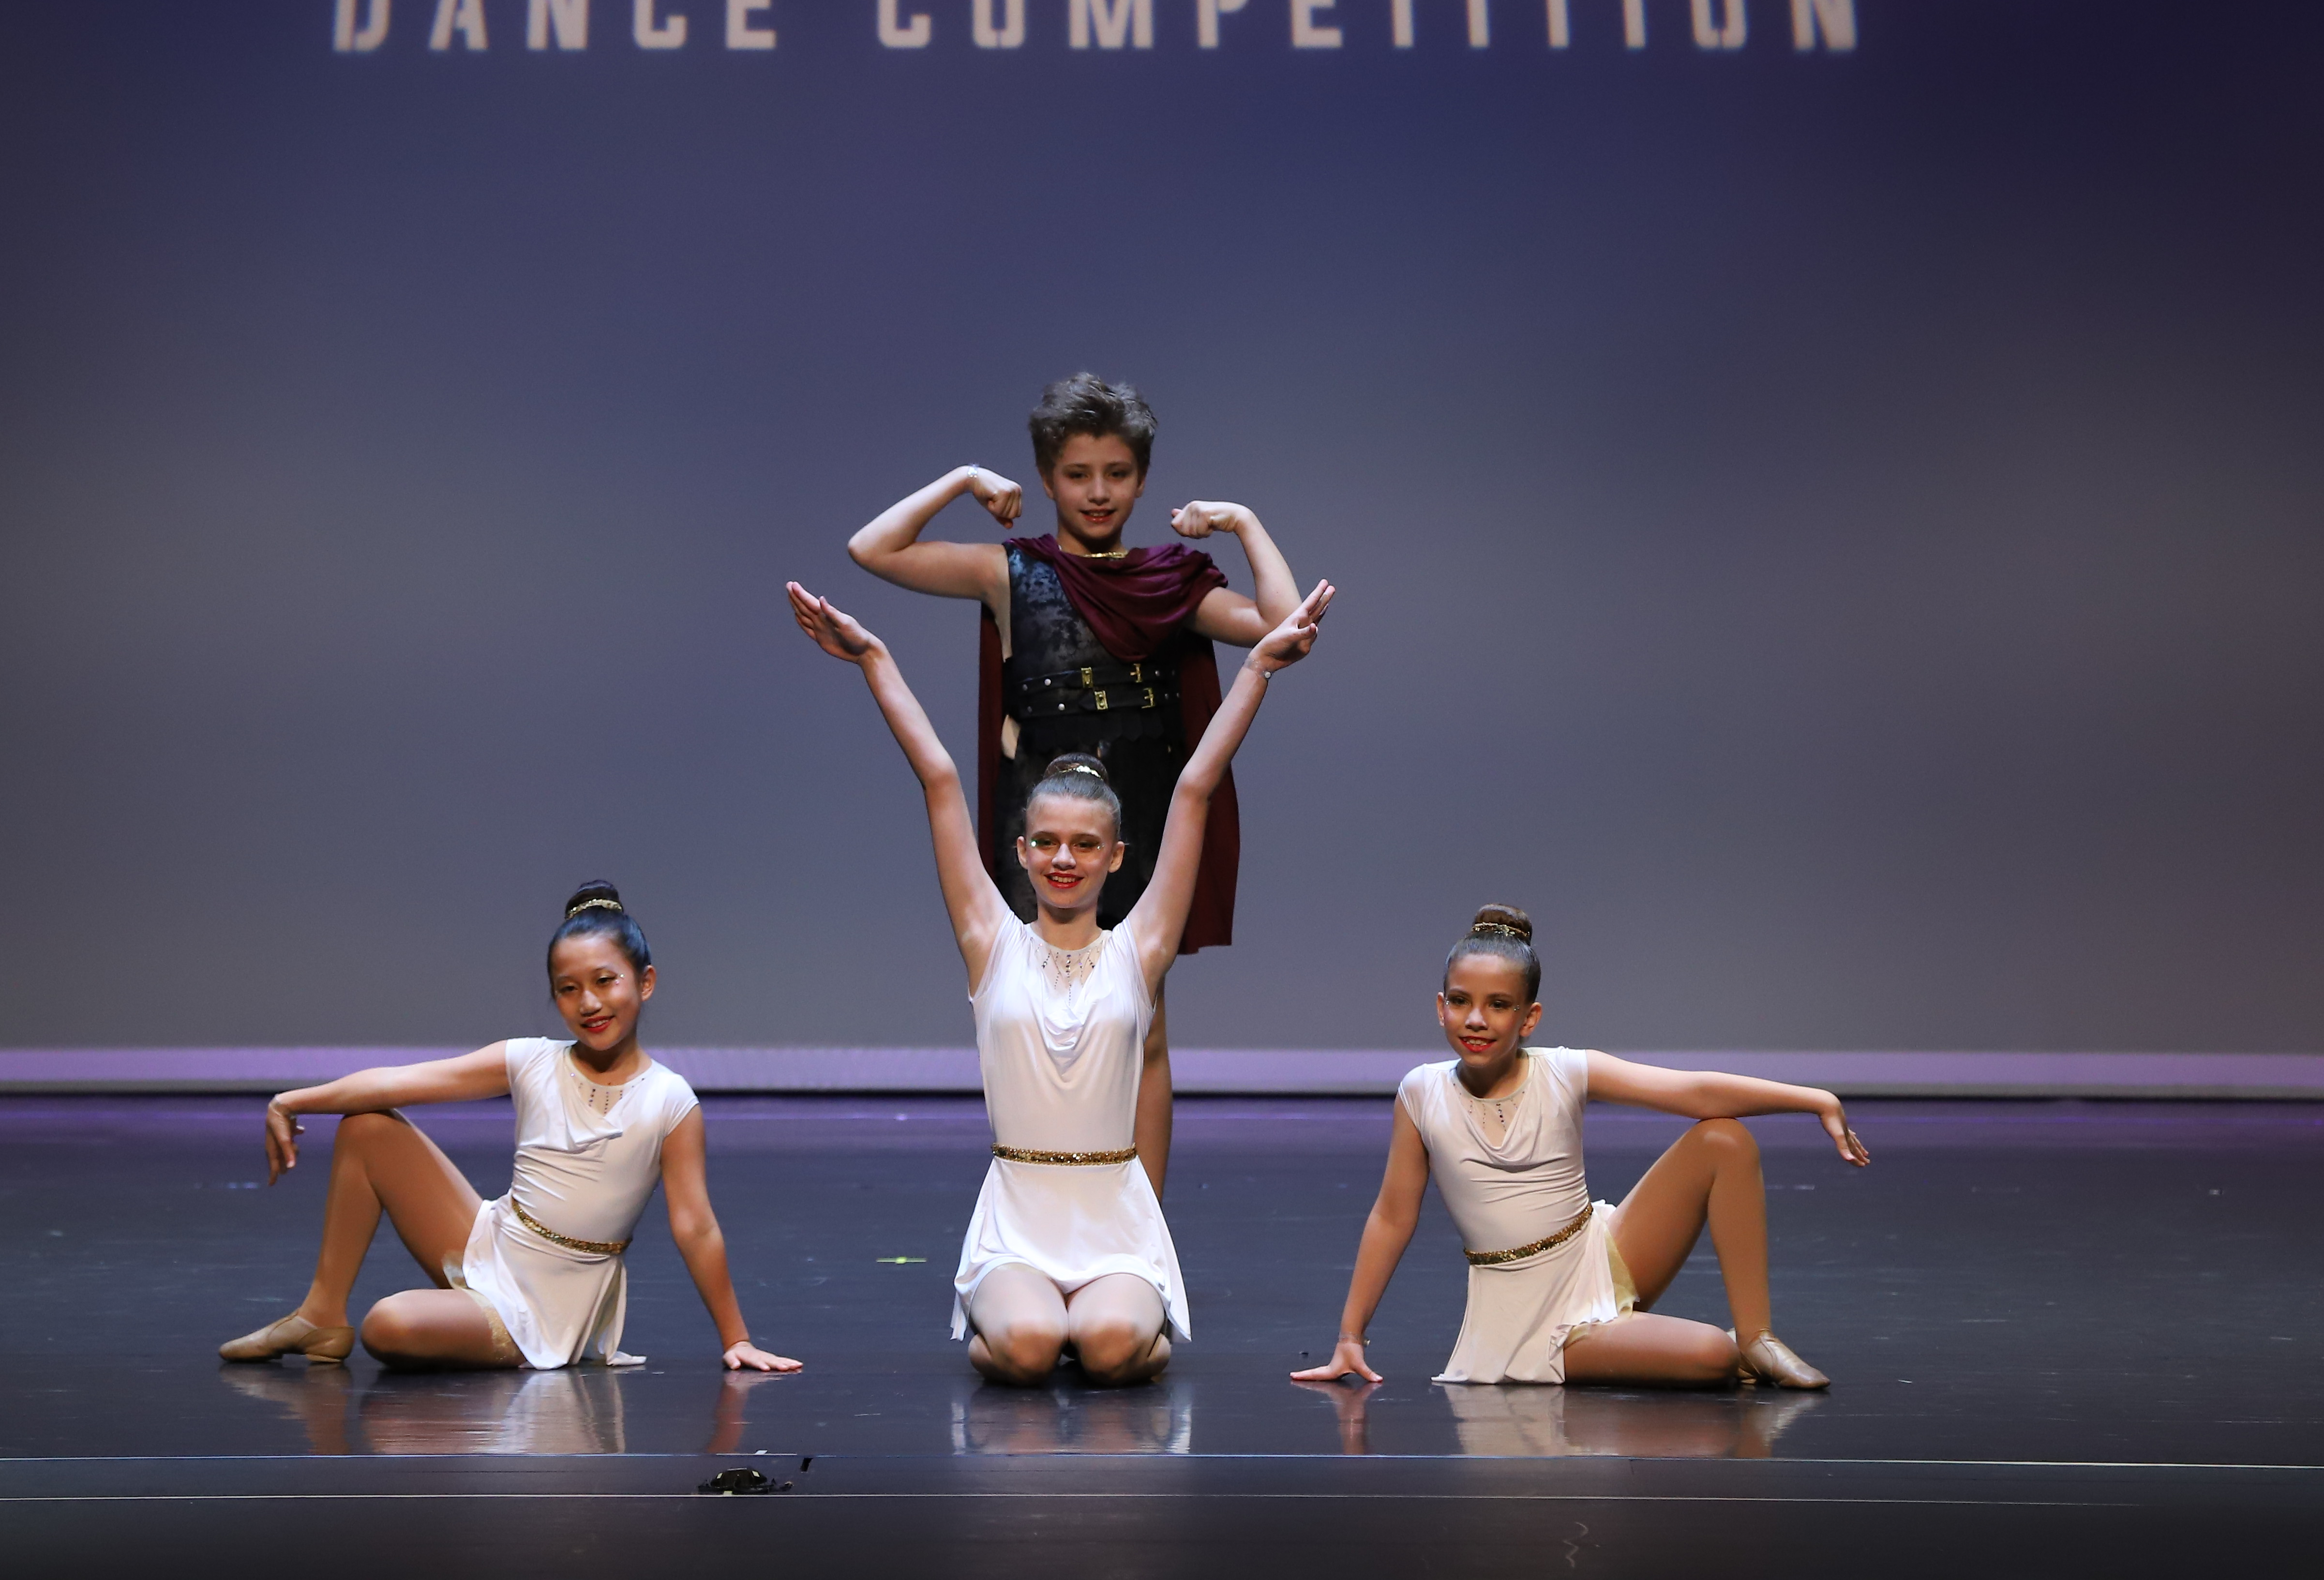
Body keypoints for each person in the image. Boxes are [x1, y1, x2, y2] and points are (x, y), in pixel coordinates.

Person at [788, 572, 1333, 1386]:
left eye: (1084, 844)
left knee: (1109, 1349)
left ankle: (1120, 1328)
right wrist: (875, 659)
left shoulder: (1141, 948)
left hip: (1115, 1223)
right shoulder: (990, 941)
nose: (1064, 858)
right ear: (1022, 851)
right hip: (1018, 1221)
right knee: (1031, 1348)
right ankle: (1033, 1325)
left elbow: (1194, 788)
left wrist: (1255, 669)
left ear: (1115, 856)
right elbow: (940, 779)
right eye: (1046, 842)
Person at [845, 373, 1304, 1192]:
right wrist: (962, 480)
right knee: (1027, 1017)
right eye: (1078, 474)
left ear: (1143, 478)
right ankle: (1041, 1201)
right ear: (1047, 476)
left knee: (1143, 1028)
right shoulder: (1009, 571)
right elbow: (872, 549)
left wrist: (1243, 521)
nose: (1098, 493)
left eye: (1117, 473)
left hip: (1139, 822)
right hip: (1040, 821)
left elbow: (1283, 626)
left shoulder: (1169, 581)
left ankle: (1142, 1221)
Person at [215, 883, 800, 1375]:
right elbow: (400, 1081)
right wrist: (292, 1100)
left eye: (605, 981)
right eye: (569, 989)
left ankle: (482, 1326)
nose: (589, 1002)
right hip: (491, 1240)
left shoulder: (670, 1100)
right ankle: (321, 1314)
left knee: (389, 1323)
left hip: (547, 1301)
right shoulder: (531, 1060)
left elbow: (696, 1225)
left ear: (644, 982)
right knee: (367, 1127)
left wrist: (737, 1338)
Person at [1293, 906, 1868, 1392]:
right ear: (1440, 1006)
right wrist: (1350, 1335)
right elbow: (1393, 1216)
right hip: (1529, 1315)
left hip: (1599, 1251)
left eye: (1499, 1004)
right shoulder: (1421, 1091)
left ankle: (1758, 1337)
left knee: (1723, 1138)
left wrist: (1813, 1098)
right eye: (1462, 1001)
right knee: (1712, 1355)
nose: (1477, 1019)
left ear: (1530, 1017)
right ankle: (1709, 1348)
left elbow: (1693, 1091)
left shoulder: (1564, 1070)